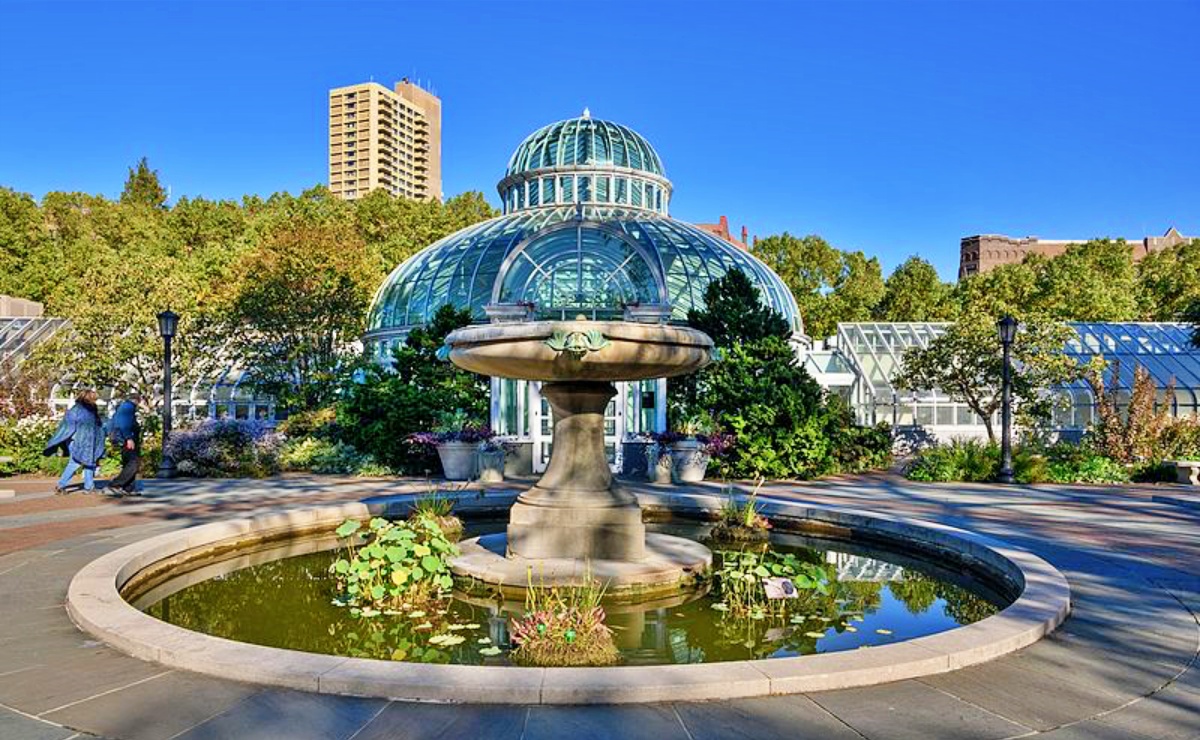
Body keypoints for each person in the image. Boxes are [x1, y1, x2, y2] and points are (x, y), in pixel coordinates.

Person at [44, 389, 107, 494]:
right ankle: (62, 485)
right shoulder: (85, 410)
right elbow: (71, 427)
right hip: (80, 441)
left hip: (82, 441)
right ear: (89, 398)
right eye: (94, 398)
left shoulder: (80, 409)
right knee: (77, 463)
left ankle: (88, 486)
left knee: (87, 463)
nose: (95, 401)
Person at [107, 395, 142, 495]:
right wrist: (128, 438)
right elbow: (124, 424)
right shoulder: (128, 407)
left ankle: (128, 488)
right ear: (137, 400)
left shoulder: (123, 407)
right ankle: (116, 484)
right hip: (128, 438)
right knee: (134, 462)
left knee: (128, 462)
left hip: (124, 438)